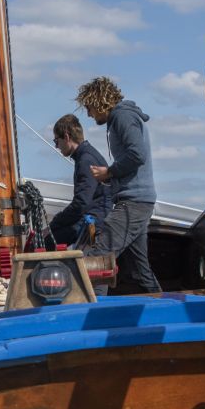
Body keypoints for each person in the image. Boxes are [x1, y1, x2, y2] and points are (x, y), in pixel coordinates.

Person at [75, 76, 162, 293]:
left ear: (99, 101)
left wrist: (109, 172)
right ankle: (165, 309)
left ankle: (93, 314)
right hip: (138, 201)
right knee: (140, 272)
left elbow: (137, 154)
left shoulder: (122, 117)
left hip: (133, 203)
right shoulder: (121, 118)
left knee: (98, 259)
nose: (89, 114)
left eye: (89, 108)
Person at [47, 113, 111, 247]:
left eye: (56, 141)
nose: (56, 146)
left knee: (45, 241)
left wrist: (52, 225)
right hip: (95, 216)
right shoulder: (86, 155)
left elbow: (81, 204)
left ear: (66, 137)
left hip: (93, 220)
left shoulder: (85, 160)